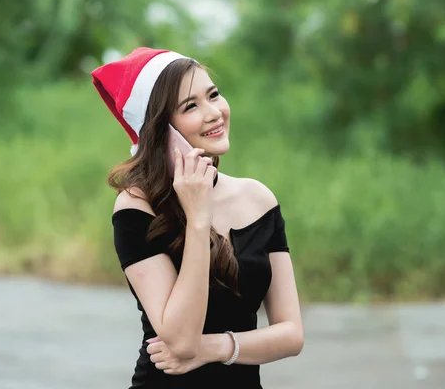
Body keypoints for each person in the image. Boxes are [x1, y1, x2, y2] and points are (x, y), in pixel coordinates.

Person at [91, 47, 304, 388]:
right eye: (190, 106)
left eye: (214, 95)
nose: (214, 113)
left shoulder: (258, 198)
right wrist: (198, 216)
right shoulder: (136, 208)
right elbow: (182, 340)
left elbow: (291, 334)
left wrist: (214, 347)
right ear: (160, 130)